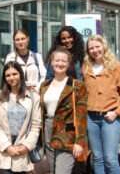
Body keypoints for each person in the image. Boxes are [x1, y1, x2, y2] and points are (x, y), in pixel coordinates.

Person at [83, 35, 120, 174]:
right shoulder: (86, 68)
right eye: (91, 48)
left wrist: (116, 112)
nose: (95, 50)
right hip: (91, 118)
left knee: (110, 158)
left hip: (109, 117)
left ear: (104, 46)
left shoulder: (116, 67)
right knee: (97, 158)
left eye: (97, 46)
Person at [39, 46, 88, 174]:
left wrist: (80, 141)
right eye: (57, 60)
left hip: (67, 134)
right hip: (48, 131)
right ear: (52, 62)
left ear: (68, 63)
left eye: (63, 61)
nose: (60, 63)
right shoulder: (44, 86)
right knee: (54, 171)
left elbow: (82, 116)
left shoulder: (77, 86)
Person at [0, 61, 41, 174]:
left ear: (20, 74)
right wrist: (7, 147)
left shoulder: (33, 97)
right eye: (8, 75)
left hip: (22, 149)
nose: (11, 78)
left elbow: (36, 125)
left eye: (14, 74)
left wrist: (27, 146)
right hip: (3, 149)